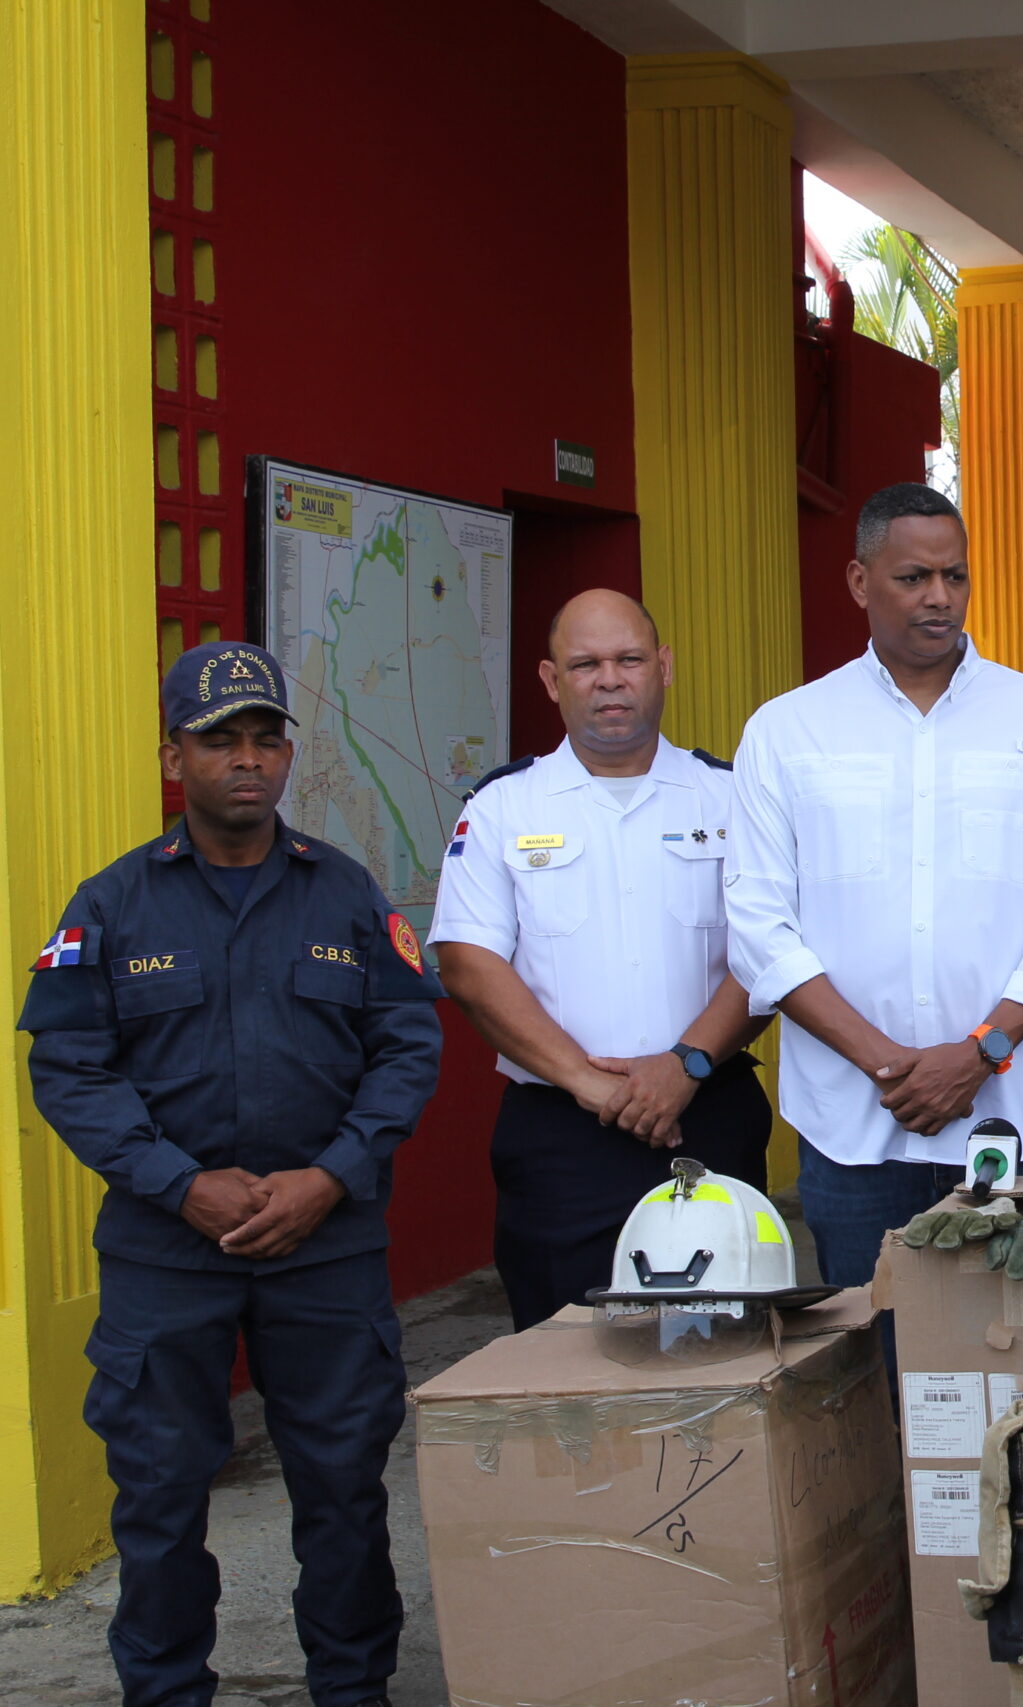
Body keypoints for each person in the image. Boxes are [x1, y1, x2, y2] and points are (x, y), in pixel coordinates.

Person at [21, 642, 443, 1707]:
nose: (246, 760)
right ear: (176, 757)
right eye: (219, 741)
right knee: (160, 1500)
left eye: (265, 738)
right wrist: (180, 1184)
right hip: (167, 1253)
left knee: (344, 1493)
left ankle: (354, 1689)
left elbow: (407, 1051)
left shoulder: (346, 895)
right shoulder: (112, 904)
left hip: (326, 1247)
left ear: (289, 755)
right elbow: (68, 1069)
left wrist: (330, 1177)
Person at [726, 483, 1023, 1286]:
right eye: (913, 577)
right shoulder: (787, 730)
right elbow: (759, 925)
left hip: (1014, 1118)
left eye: (955, 575)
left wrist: (979, 1053)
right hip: (854, 1128)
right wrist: (888, 1065)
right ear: (860, 581)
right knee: (875, 1347)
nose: (940, 596)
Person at [431, 590, 771, 1330]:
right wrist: (591, 1084)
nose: (610, 679)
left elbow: (770, 951)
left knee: (725, 1348)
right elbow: (468, 963)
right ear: (551, 679)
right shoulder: (502, 807)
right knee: (563, 1352)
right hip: (562, 1135)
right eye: (585, 664)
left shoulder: (733, 798)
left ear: (664, 667)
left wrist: (683, 1065)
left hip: (708, 1113)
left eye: (629, 659)